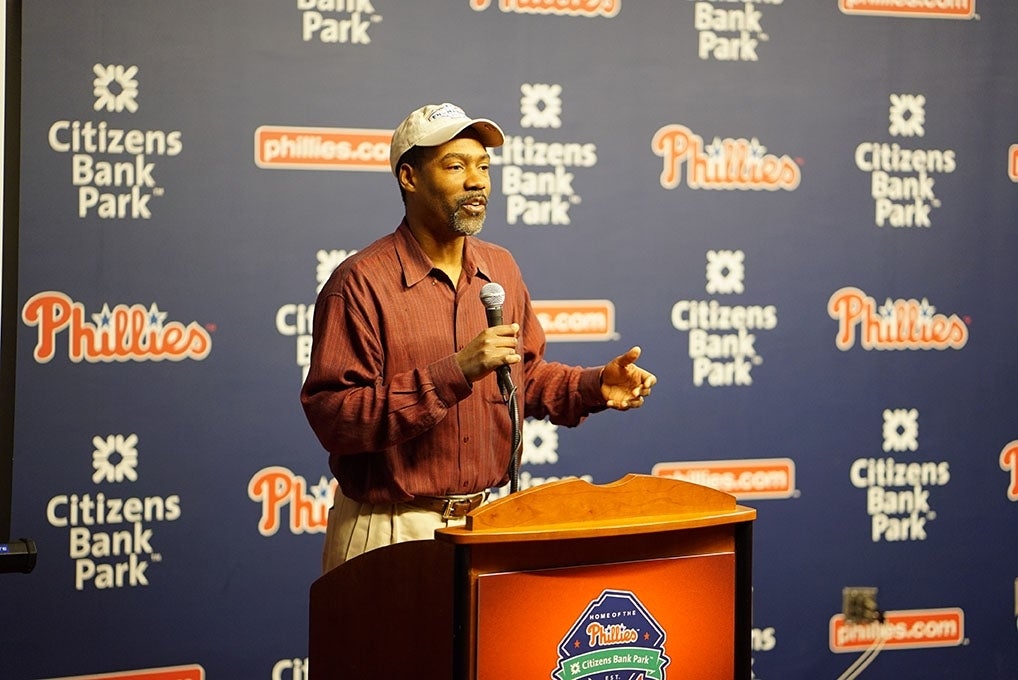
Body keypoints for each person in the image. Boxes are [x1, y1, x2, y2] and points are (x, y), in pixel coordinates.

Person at [301, 102, 657, 573]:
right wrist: (455, 372)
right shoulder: (360, 283)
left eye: (484, 167)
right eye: (456, 166)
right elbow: (335, 419)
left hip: (486, 522)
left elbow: (522, 379)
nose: (478, 181)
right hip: (389, 528)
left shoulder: (501, 268)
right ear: (409, 177)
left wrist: (594, 385)